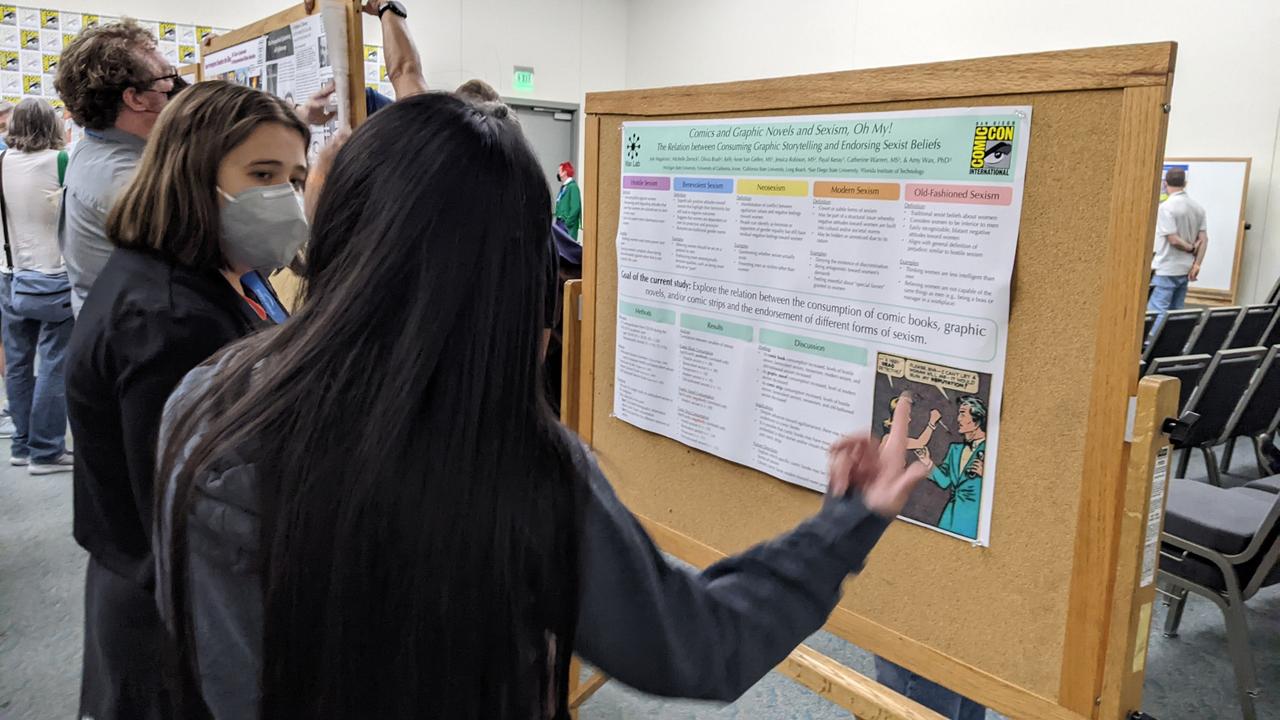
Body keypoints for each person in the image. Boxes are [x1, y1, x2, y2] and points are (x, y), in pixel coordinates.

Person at [153, 93, 927, 719]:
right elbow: (697, 643)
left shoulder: (210, 398)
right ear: (514, 271)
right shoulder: (516, 467)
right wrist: (844, 523)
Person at [66, 82, 307, 720]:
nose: (284, 195)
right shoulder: (171, 319)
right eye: (262, 173)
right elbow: (185, 517)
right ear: (194, 171)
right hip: (174, 623)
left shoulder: (202, 275)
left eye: (294, 177)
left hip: (158, 594)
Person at [55, 20, 185, 316]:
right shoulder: (128, 179)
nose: (177, 91)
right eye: (168, 81)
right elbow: (239, 256)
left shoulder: (97, 148)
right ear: (136, 98)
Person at [0, 99, 74, 474]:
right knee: (54, 363)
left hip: (10, 274)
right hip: (55, 275)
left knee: (17, 364)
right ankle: (46, 451)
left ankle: (22, 444)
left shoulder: (1, 162)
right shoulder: (61, 162)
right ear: (53, 124)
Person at [917, 395, 987, 540]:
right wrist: (927, 461)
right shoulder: (955, 450)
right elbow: (945, 482)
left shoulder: (990, 450)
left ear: (977, 420)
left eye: (963, 414)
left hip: (973, 520)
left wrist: (987, 475)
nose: (958, 419)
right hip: (949, 518)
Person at [1148, 167, 1207, 319]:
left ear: (1165, 183)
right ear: (1185, 183)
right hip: (1185, 268)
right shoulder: (1198, 208)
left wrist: (1189, 247)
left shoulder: (1166, 207)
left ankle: (1151, 343)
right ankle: (1172, 342)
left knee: (1157, 311)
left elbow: (1172, 239)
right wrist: (1197, 264)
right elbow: (1204, 239)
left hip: (1166, 268)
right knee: (1176, 313)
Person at [555, 161, 582, 240]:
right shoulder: (564, 187)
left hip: (567, 226)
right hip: (560, 223)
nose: (558, 174)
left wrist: (567, 223)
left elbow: (576, 208)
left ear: (564, 172)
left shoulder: (573, 187)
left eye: (559, 171)